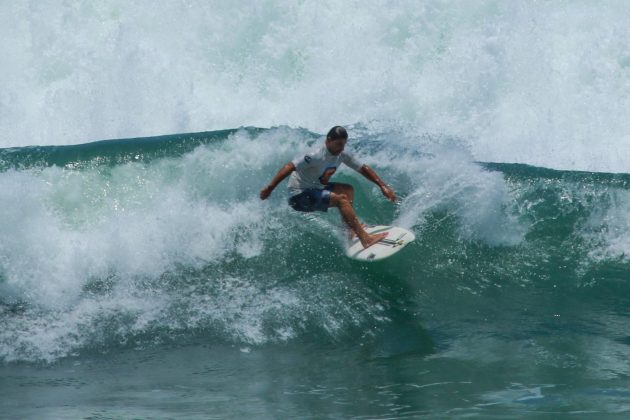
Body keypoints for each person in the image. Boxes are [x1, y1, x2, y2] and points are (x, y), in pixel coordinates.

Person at [259, 126, 397, 249]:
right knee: (342, 200)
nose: (341, 148)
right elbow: (289, 166)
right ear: (328, 140)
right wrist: (270, 188)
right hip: (299, 196)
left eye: (344, 144)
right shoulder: (314, 155)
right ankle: (365, 239)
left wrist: (382, 186)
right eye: (338, 144)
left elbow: (362, 168)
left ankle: (348, 230)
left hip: (315, 189)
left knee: (347, 190)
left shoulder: (341, 154)